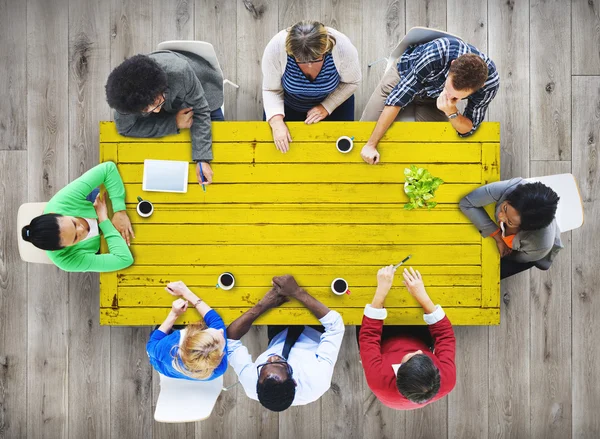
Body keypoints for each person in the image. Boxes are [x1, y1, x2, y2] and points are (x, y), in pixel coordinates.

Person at [359, 37, 500, 165]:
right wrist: (371, 145)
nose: (450, 97)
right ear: (453, 64)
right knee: (364, 134)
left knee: (434, 153)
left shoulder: (489, 85)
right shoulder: (437, 52)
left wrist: (451, 111)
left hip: (432, 99)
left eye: (456, 97)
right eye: (448, 89)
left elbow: (469, 129)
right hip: (403, 77)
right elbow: (398, 99)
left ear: (480, 87)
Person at [226, 275, 345, 411]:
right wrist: (297, 292)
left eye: (265, 365)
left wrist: (263, 305)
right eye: (280, 364)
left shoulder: (251, 382)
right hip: (317, 326)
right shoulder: (317, 379)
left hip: (279, 330)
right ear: (294, 381)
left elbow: (230, 339)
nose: (272, 358)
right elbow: (335, 326)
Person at [105, 50, 224, 185]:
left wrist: (203, 159)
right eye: (145, 110)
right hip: (171, 101)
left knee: (220, 149)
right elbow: (125, 128)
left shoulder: (180, 71)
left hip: (203, 90)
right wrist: (174, 123)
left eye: (156, 103)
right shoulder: (125, 100)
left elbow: (202, 109)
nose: (155, 112)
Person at [359, 265, 456, 410]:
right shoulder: (447, 379)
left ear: (399, 369)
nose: (418, 351)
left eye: (410, 356)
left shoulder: (377, 380)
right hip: (419, 337)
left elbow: (368, 337)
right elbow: (445, 336)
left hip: (383, 343)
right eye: (424, 356)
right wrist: (422, 296)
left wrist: (381, 292)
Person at [262, 20, 361, 153]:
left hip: (335, 105)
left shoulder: (342, 47)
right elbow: (271, 89)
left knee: (335, 155)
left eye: (315, 59)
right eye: (301, 60)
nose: (309, 65)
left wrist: (327, 106)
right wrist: (276, 122)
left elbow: (352, 82)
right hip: (288, 105)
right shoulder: (276, 47)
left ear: (325, 48)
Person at [21, 162, 134, 272]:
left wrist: (120, 211)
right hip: (103, 238)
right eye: (76, 238)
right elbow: (124, 259)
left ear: (53, 213)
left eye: (74, 223)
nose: (83, 230)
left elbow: (108, 169)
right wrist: (103, 219)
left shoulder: (61, 202)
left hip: (96, 203)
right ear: (57, 250)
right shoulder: (65, 260)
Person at [459, 178, 562, 279]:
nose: (500, 216)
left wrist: (505, 254)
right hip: (515, 237)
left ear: (524, 228)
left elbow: (517, 258)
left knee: (486, 275)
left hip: (530, 253)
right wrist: (497, 236)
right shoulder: (511, 187)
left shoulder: (539, 245)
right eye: (504, 208)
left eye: (510, 221)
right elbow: (466, 203)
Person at [146, 281, 228, 381]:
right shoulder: (219, 368)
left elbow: (151, 345)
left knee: (158, 331)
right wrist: (186, 292)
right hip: (179, 370)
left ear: (193, 335)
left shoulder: (168, 346)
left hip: (162, 363)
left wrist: (174, 314)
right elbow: (216, 321)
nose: (221, 331)